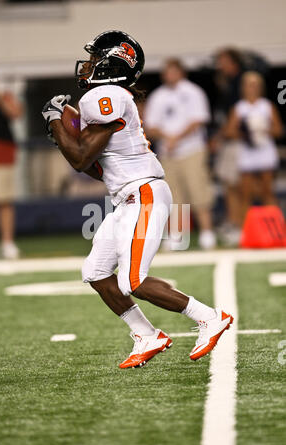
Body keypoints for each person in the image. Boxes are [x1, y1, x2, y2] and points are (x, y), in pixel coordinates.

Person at [42, 31, 233, 369]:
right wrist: (63, 135)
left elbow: (80, 158)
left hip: (143, 193)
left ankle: (210, 317)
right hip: (128, 195)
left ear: (109, 64)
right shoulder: (107, 97)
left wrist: (57, 121)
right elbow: (96, 169)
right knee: (96, 271)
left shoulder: (106, 95)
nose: (87, 66)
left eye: (94, 59)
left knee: (132, 280)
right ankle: (146, 335)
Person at [144, 59, 216, 250]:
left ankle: (207, 233)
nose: (170, 75)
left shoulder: (193, 92)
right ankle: (177, 235)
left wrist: (178, 137)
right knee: (173, 195)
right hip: (168, 153)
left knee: (198, 190)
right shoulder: (158, 96)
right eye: (167, 72)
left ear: (181, 72)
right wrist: (168, 137)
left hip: (192, 150)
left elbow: (199, 119)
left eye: (174, 71)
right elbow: (150, 126)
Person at [224, 71, 283, 221]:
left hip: (264, 151)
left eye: (255, 85)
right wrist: (245, 132)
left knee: (267, 191)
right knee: (246, 193)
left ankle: (274, 226)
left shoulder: (267, 106)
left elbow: (279, 130)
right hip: (247, 153)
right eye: (249, 85)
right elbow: (229, 131)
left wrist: (262, 129)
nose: (252, 88)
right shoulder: (239, 108)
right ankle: (246, 228)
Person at [0, 66, 23, 259]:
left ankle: (7, 243)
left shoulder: (3, 96)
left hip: (2, 157)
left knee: (4, 201)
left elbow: (15, 113)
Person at [211, 48, 245, 245]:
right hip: (228, 140)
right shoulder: (227, 84)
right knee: (228, 183)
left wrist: (220, 136)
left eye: (223, 60)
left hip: (237, 141)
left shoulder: (239, 82)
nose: (219, 65)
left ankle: (240, 224)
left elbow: (237, 116)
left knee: (237, 184)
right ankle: (234, 222)